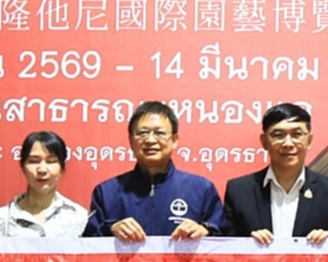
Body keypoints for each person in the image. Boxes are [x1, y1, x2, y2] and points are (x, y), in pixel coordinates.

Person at [85, 101, 224, 240]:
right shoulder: (106, 192)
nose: (150, 140)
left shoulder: (202, 189)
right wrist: (110, 229)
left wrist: (206, 231)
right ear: (131, 140)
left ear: (174, 140)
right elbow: (87, 243)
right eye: (143, 133)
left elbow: (226, 239)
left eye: (160, 133)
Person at [222, 103, 328, 244]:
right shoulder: (239, 191)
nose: (288, 144)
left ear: (309, 140)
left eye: (297, 135)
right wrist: (248, 244)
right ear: (264, 141)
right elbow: (224, 247)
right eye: (278, 135)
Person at [0, 131, 87, 237]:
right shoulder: (3, 218)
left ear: (62, 167)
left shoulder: (78, 217)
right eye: (34, 161)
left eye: (51, 161)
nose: (42, 170)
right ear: (22, 166)